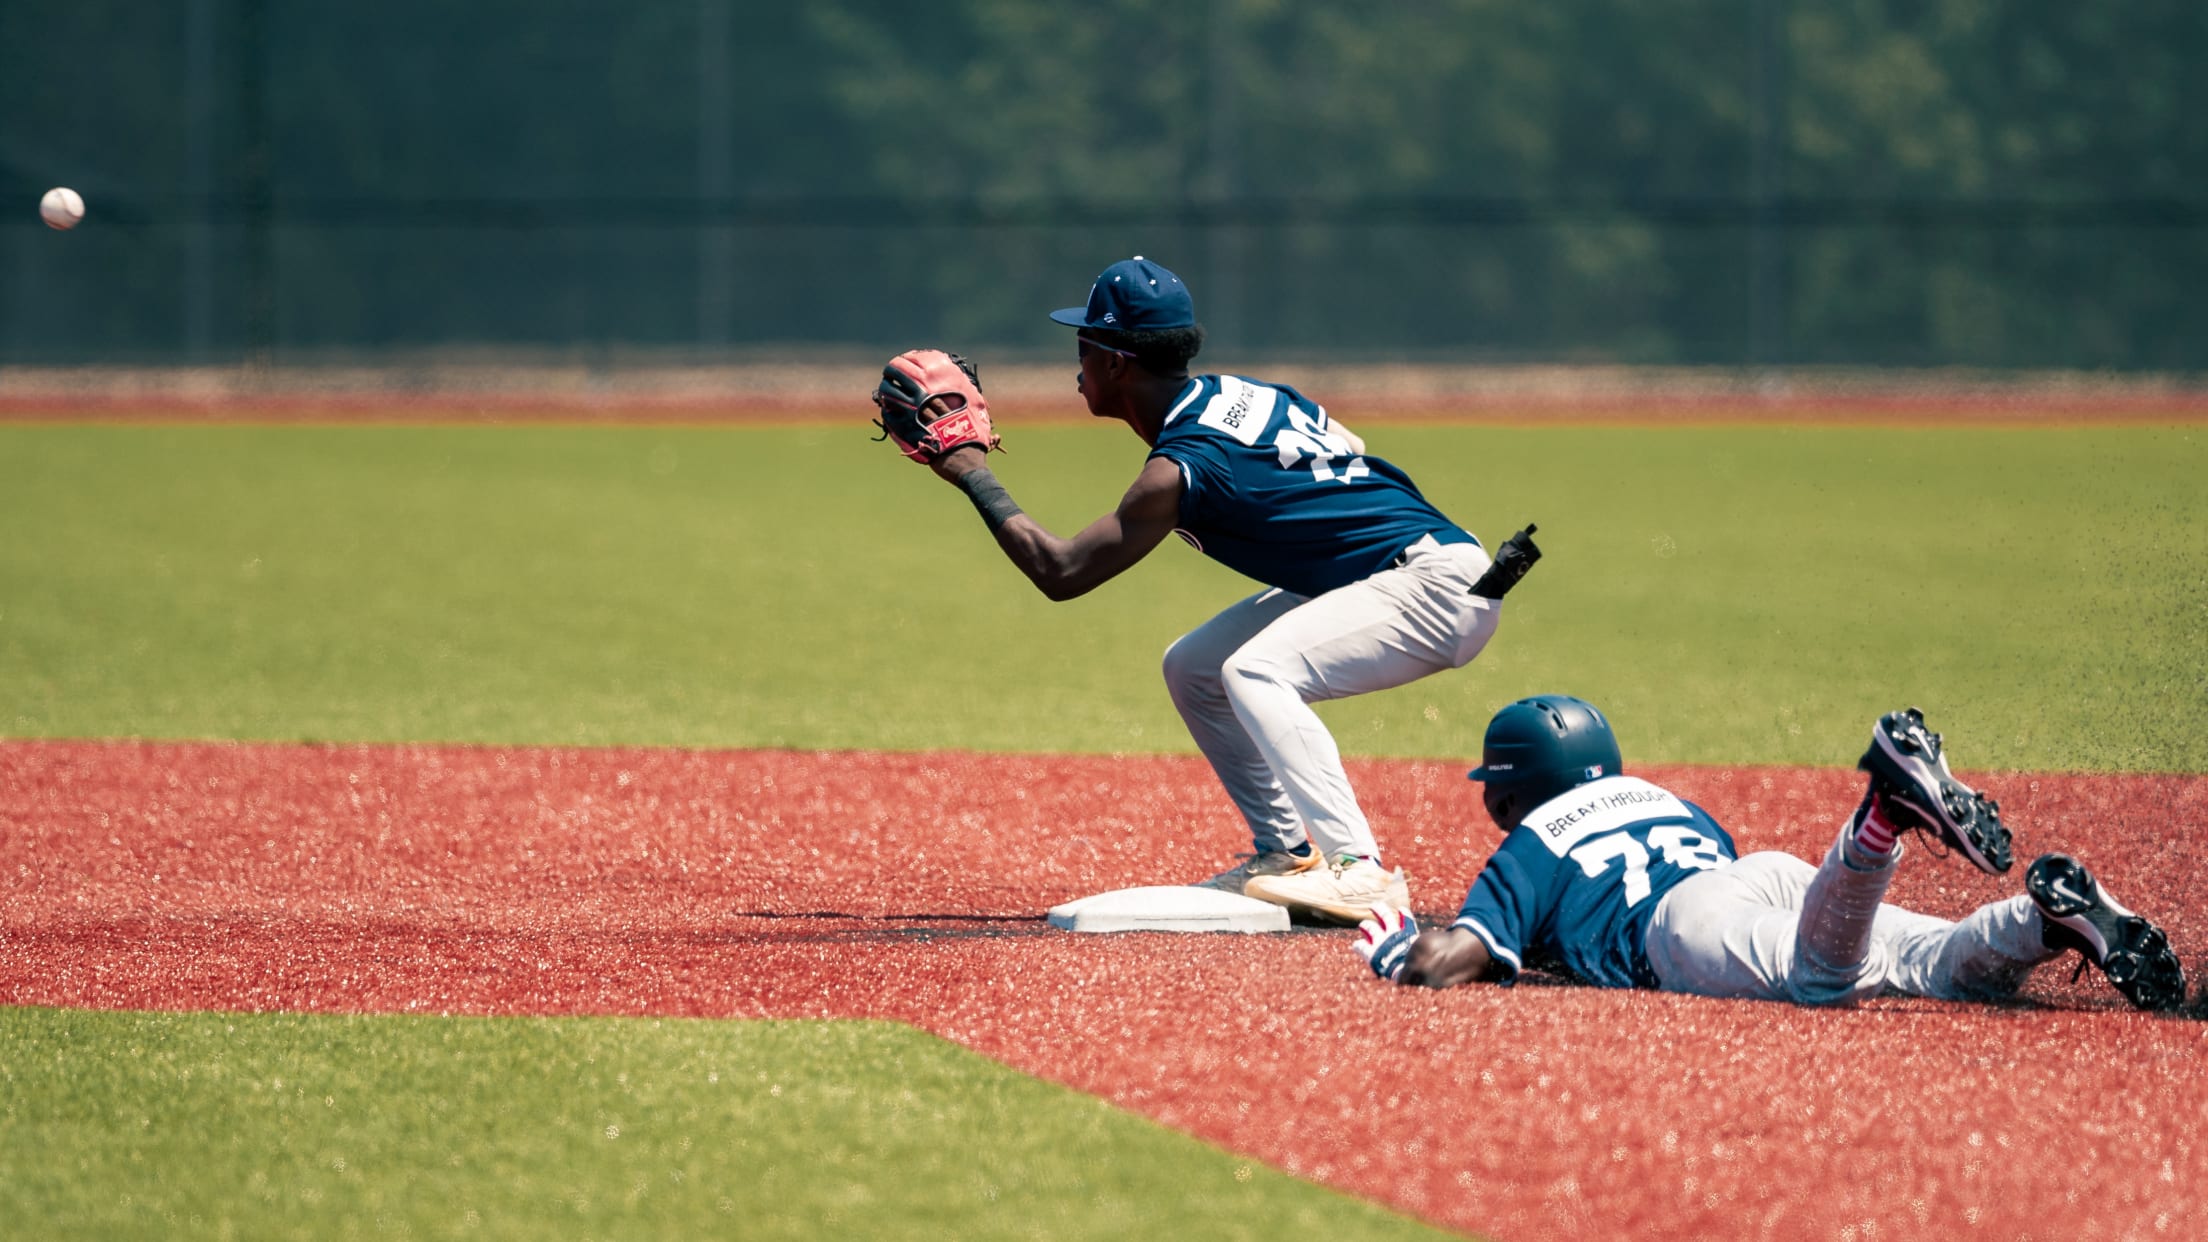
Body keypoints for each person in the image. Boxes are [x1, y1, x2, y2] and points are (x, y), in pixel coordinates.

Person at [914, 256, 1533, 923]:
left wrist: (970, 471)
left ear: (1117, 363)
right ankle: (1285, 854)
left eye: (1084, 345)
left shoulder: (1179, 470)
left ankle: (1359, 870)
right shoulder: (1242, 394)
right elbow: (1348, 452)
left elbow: (1061, 572)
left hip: (1430, 585)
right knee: (1195, 667)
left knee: (1256, 670)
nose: (1077, 364)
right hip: (1409, 565)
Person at [1353, 696, 2191, 1013]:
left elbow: (1452, 961)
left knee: (1819, 980)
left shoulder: (1532, 844)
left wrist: (1399, 949)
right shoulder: (1665, 800)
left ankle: (1880, 817)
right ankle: (2040, 923)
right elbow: (1715, 870)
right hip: (1759, 873)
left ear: (1508, 797)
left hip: (1678, 927)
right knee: (1931, 965)